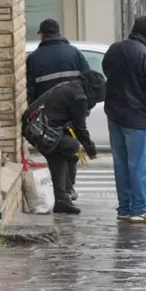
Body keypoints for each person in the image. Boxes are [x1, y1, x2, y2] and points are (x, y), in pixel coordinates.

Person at [102, 17, 146, 224]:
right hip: (137, 117)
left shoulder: (114, 49)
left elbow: (106, 70)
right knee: (138, 165)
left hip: (114, 114)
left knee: (120, 164)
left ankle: (124, 207)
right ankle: (139, 209)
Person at [26, 19, 91, 200]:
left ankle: (64, 190)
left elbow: (30, 90)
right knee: (71, 148)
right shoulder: (74, 53)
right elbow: (89, 80)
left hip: (48, 114)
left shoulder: (34, 58)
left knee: (56, 150)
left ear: (43, 35)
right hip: (73, 110)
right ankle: (68, 188)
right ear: (59, 32)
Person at [36, 70, 105, 215]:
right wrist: (91, 149)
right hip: (49, 135)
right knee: (70, 148)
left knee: (65, 157)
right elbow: (80, 128)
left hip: (46, 132)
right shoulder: (79, 97)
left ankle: (63, 196)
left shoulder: (71, 87)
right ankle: (63, 197)